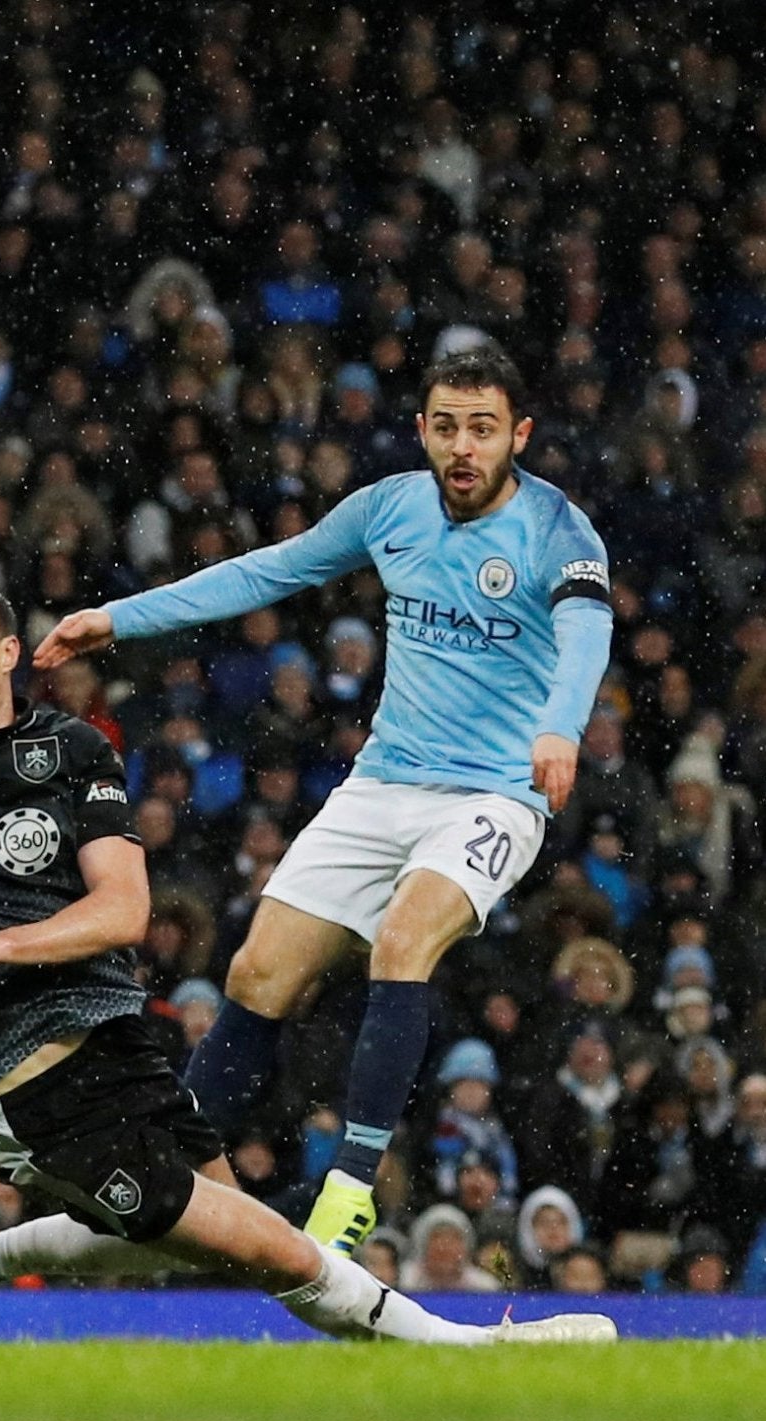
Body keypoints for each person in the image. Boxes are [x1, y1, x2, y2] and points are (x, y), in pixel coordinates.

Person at [0, 573, 611, 1343]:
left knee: (220, 1238)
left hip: (121, 1049)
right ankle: (477, 1349)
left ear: (7, 652)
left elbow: (123, 910)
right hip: (29, 1091)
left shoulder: (71, 749)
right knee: (278, 1249)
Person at [35, 345, 614, 1252]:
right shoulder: (390, 506)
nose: (463, 447)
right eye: (447, 427)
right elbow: (265, 572)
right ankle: (169, 1170)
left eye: (484, 429)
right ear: (423, 430)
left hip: (493, 796)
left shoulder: (557, 530)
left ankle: (349, 1186)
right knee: (256, 973)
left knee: (402, 936)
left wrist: (559, 728)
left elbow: (584, 636)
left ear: (519, 436)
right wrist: (119, 616)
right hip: (382, 783)